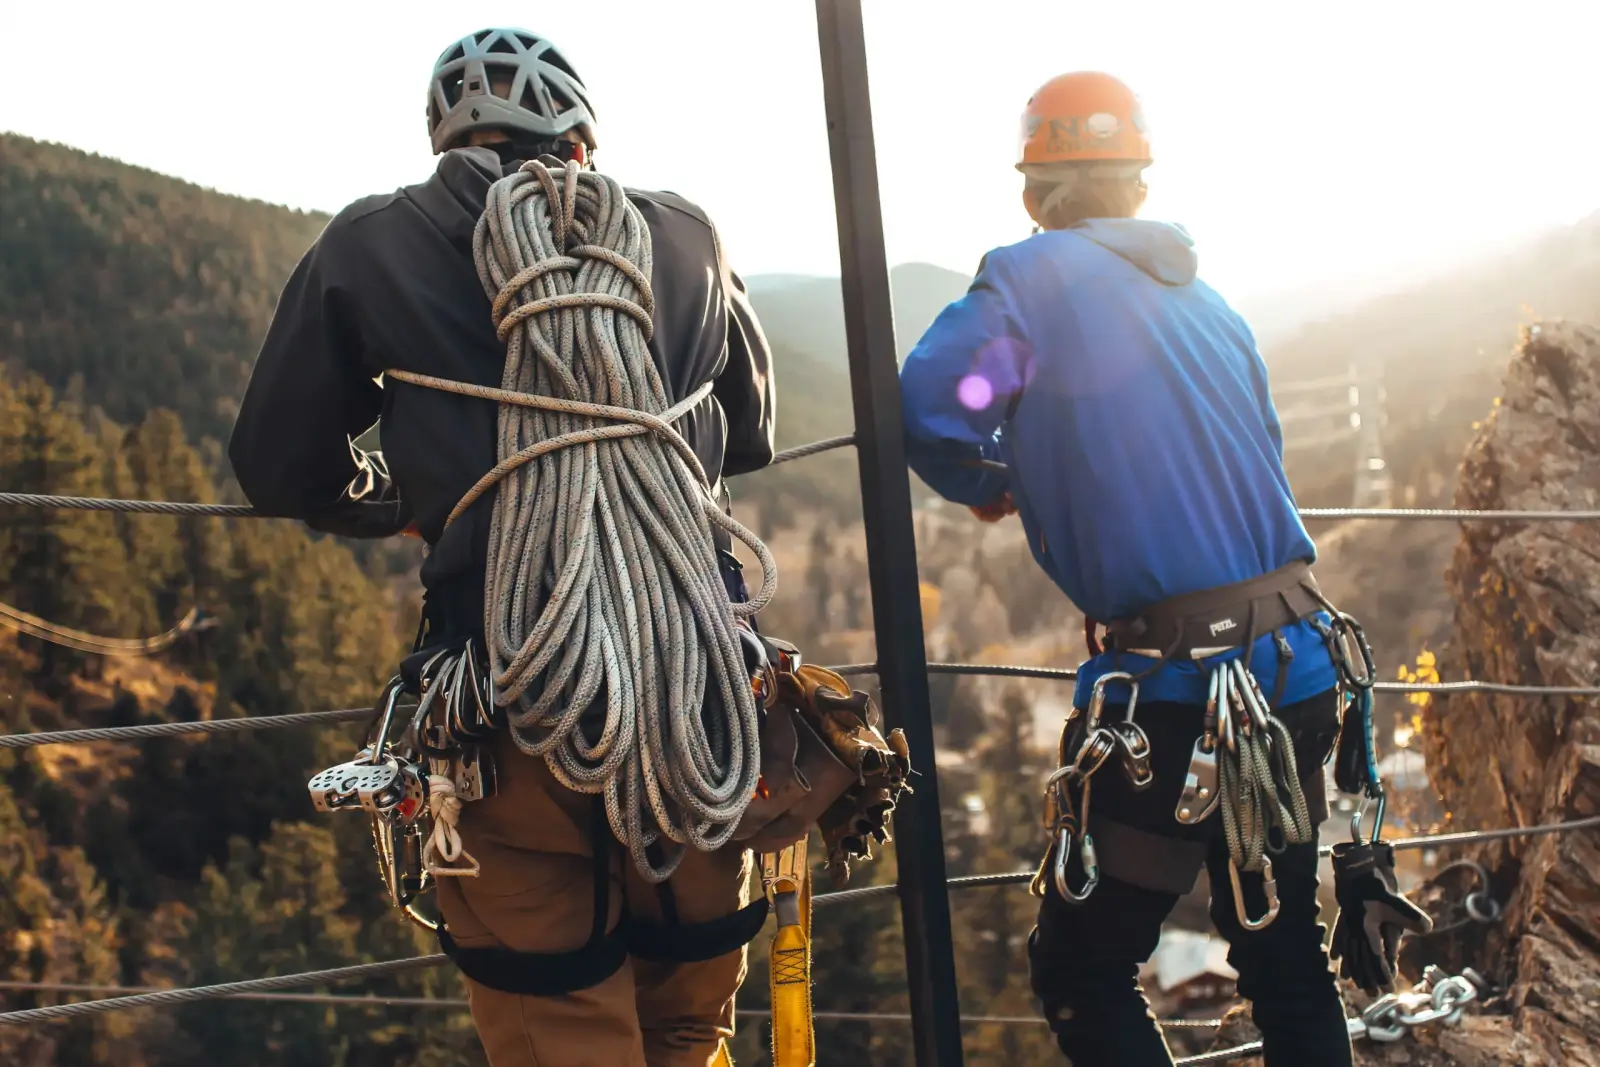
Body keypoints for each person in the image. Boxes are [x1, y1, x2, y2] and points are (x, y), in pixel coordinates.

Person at [229, 28, 775, 1067]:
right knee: (688, 1022)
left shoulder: (371, 243)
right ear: (580, 133)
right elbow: (745, 432)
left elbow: (280, 462)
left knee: (558, 1026)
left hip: (514, 699)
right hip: (694, 703)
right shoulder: (686, 234)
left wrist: (409, 499)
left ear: (444, 135)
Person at [897, 72, 1357, 1066]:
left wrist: (989, 472)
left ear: (1035, 191)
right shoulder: (1210, 299)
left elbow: (936, 402)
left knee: (1084, 969)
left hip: (1176, 698)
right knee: (1283, 952)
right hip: (1296, 665)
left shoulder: (1029, 278)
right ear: (1137, 184)